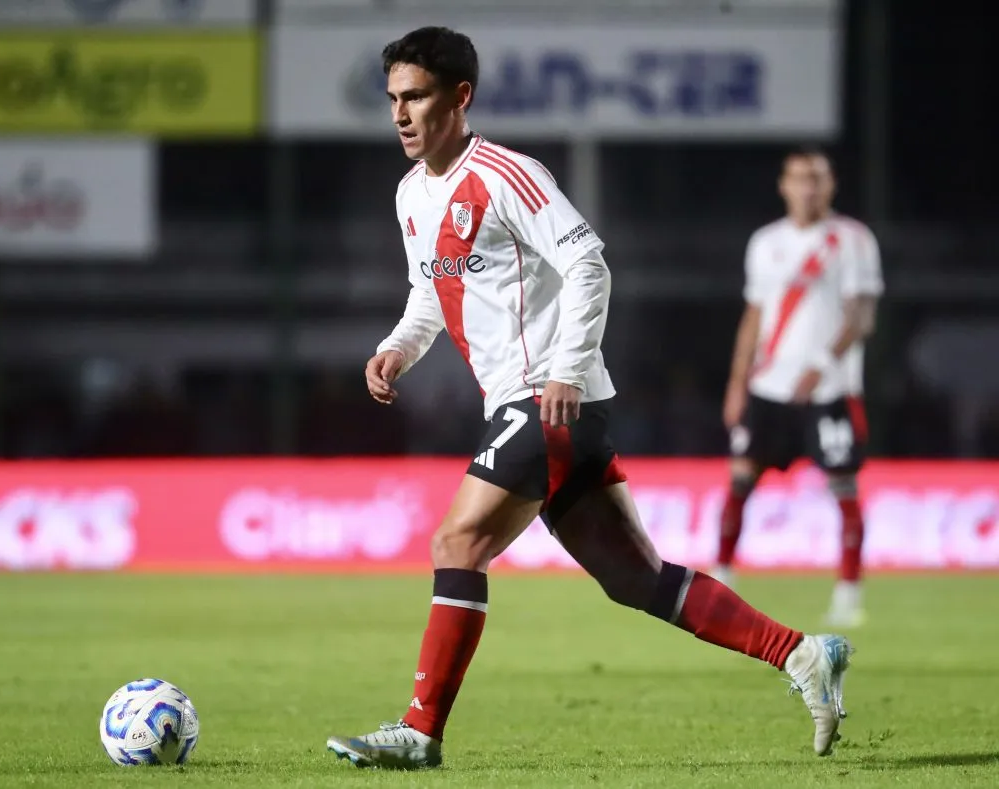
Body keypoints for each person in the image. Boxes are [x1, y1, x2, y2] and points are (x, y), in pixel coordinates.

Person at [327, 27, 853, 770]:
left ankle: (420, 729)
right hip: (536, 405)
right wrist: (397, 349)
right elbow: (427, 293)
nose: (400, 114)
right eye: (392, 99)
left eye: (415, 96)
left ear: (460, 97)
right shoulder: (412, 194)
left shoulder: (508, 175)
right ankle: (802, 654)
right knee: (637, 578)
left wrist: (567, 368)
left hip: (546, 399)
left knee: (457, 543)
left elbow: (588, 264)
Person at [713, 148, 884, 628]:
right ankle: (721, 580)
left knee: (844, 487)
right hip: (769, 385)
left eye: (817, 178)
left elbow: (862, 316)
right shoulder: (765, 242)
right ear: (783, 186)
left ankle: (848, 595)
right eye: (800, 178)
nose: (809, 187)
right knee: (740, 479)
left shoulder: (851, 239)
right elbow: (754, 315)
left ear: (831, 185)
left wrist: (822, 364)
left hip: (830, 389)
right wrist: (737, 383)